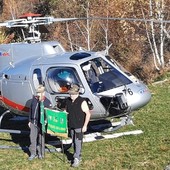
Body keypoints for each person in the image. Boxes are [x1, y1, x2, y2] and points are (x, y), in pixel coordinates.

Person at [66, 84, 91, 167]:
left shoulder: (82, 101)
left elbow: (88, 114)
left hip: (79, 126)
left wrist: (85, 126)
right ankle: (77, 156)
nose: (71, 95)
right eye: (70, 94)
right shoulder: (68, 101)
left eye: (73, 94)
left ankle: (76, 158)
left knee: (78, 142)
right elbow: (67, 112)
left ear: (77, 93)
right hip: (71, 125)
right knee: (73, 142)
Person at [28, 84, 51, 161]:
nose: (38, 94)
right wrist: (29, 121)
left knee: (41, 139)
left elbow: (49, 114)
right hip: (33, 122)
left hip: (42, 124)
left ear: (43, 93)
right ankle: (33, 153)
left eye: (40, 93)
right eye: (37, 92)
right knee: (32, 138)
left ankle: (41, 153)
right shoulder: (34, 100)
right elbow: (30, 110)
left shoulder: (47, 102)